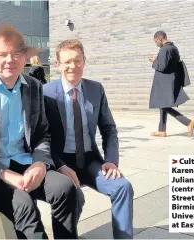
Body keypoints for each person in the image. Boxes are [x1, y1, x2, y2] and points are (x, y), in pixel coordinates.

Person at [0, 24, 79, 239]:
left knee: (64, 188)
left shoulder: (33, 86)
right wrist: (4, 173)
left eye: (16, 54)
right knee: (24, 204)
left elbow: (42, 133)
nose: (9, 60)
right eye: (3, 54)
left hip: (27, 163)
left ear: (25, 59)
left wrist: (40, 163)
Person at [43, 39, 134, 239]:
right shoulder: (46, 93)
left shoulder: (96, 89)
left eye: (77, 60)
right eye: (67, 62)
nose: (72, 66)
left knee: (122, 187)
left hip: (89, 160)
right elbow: (42, 137)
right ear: (58, 64)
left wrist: (111, 160)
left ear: (84, 61)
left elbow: (109, 128)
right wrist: (58, 165)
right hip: (61, 162)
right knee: (72, 196)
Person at [149, 31, 194, 137]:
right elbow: (169, 63)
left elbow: (162, 66)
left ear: (160, 39)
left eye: (156, 41)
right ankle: (161, 130)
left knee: (161, 104)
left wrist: (154, 61)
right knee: (162, 104)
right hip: (170, 81)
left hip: (164, 82)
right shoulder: (173, 48)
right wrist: (158, 60)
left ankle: (188, 122)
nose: (156, 43)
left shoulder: (164, 49)